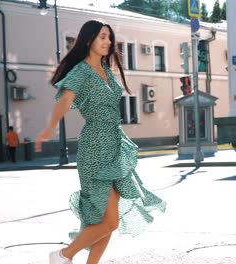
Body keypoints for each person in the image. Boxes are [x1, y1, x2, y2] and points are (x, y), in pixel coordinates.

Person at [35, 20, 166, 264]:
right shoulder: (81, 72)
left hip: (114, 144)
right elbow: (64, 101)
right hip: (95, 146)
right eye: (102, 37)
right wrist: (48, 129)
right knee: (109, 221)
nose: (108, 42)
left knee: (105, 222)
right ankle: (62, 256)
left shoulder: (106, 70)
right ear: (88, 40)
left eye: (109, 38)